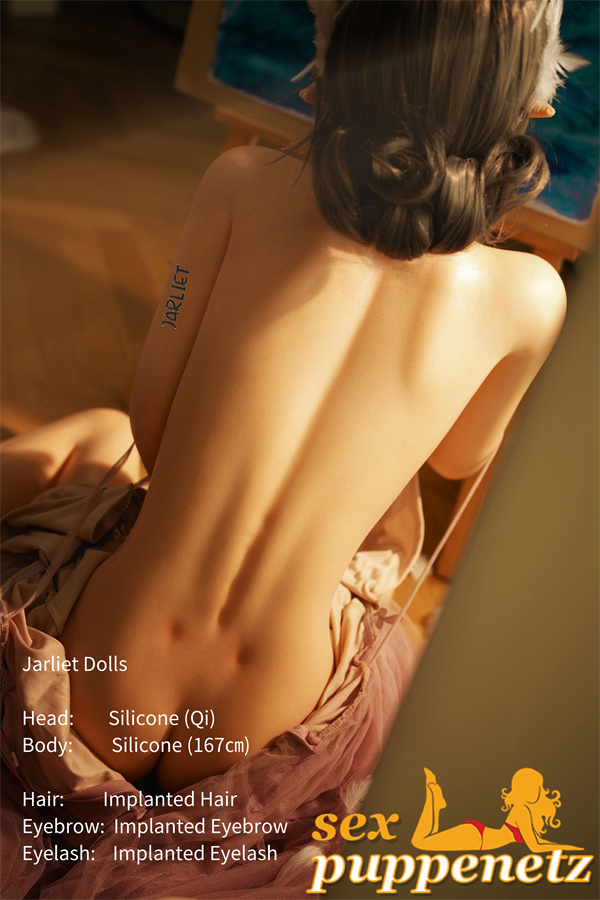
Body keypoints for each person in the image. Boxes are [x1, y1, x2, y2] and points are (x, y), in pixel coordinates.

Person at [2, 0, 568, 797]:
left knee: (96, 433)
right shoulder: (533, 297)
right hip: (266, 715)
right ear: (533, 102)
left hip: (110, 672)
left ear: (338, 49)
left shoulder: (240, 181)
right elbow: (459, 457)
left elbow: (151, 421)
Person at [412, 767, 584, 852]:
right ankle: (433, 794)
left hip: (480, 836)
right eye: (535, 786)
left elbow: (539, 843)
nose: (538, 789)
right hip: (478, 837)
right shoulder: (521, 810)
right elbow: (535, 847)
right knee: (420, 842)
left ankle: (435, 799)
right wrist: (566, 848)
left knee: (425, 840)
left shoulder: (525, 810)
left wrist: (561, 846)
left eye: (538, 786)